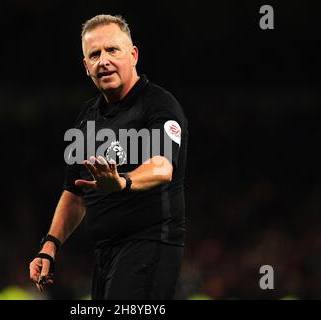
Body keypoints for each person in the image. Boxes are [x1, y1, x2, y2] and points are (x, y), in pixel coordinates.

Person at [29, 14, 188, 300]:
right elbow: (74, 192)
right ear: (86, 66)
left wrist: (122, 181)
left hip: (149, 246)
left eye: (112, 50)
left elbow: (163, 166)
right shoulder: (87, 117)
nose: (103, 60)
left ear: (133, 54)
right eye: (94, 54)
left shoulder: (159, 105)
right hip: (104, 253)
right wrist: (50, 245)